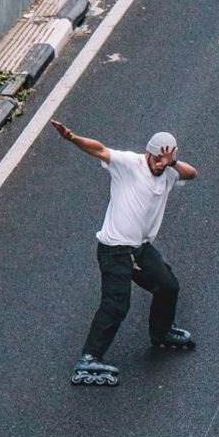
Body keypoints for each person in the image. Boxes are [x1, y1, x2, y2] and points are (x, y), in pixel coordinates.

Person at [51, 120, 198, 386]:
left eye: (165, 161)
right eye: (156, 159)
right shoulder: (129, 164)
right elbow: (99, 150)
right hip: (114, 249)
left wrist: (172, 163)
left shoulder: (169, 172)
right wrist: (71, 137)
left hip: (140, 249)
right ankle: (89, 357)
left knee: (168, 285)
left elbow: (192, 173)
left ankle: (161, 332)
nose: (159, 165)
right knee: (116, 304)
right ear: (148, 153)